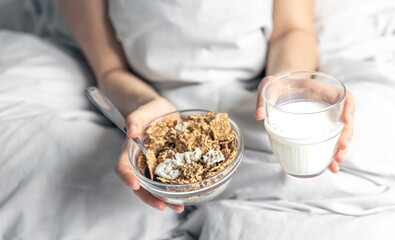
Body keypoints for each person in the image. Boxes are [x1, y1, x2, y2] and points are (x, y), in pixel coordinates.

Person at [59, 0, 355, 213]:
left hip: (255, 98)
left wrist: (285, 83)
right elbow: (110, 70)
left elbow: (292, 30)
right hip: (148, 97)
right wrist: (146, 104)